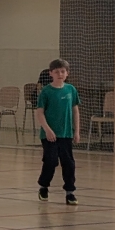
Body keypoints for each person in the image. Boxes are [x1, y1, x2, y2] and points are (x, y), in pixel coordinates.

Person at [36, 58, 80, 206]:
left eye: (63, 71)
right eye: (56, 72)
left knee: (68, 163)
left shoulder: (71, 90)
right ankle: (43, 186)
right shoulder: (46, 92)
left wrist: (77, 131)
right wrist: (47, 130)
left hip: (66, 134)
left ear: (67, 73)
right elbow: (40, 113)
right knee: (51, 161)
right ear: (51, 73)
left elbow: (75, 110)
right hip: (49, 135)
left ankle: (70, 192)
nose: (60, 74)